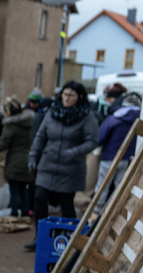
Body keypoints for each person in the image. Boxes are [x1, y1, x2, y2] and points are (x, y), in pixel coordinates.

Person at [26, 81, 99, 251]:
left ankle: (68, 239)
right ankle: (40, 237)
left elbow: (92, 141)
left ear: (79, 97)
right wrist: (33, 157)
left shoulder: (87, 117)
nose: (66, 98)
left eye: (71, 95)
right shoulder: (52, 112)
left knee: (66, 204)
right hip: (48, 164)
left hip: (70, 168)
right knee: (40, 198)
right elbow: (40, 137)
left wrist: (74, 152)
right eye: (64, 94)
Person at [93, 92, 141, 214]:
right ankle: (114, 213)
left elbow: (100, 137)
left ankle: (96, 215)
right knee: (120, 188)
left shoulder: (115, 118)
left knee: (103, 187)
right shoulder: (141, 119)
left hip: (110, 157)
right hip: (128, 159)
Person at [0, 98, 35, 217]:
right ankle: (25, 213)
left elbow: (2, 145)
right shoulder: (26, 124)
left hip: (15, 161)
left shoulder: (10, 126)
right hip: (26, 160)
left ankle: (14, 215)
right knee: (23, 190)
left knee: (14, 190)